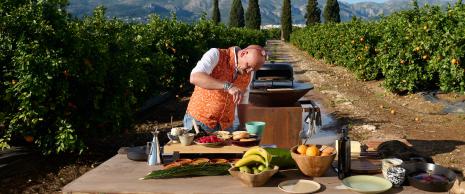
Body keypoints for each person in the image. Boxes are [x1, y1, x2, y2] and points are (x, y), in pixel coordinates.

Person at [183, 45, 266, 133]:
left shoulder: (249, 72)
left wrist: (243, 126)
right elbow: (195, 77)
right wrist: (228, 86)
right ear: (243, 54)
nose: (249, 71)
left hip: (226, 127)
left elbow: (243, 100)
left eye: (254, 69)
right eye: (249, 66)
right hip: (199, 123)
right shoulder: (216, 54)